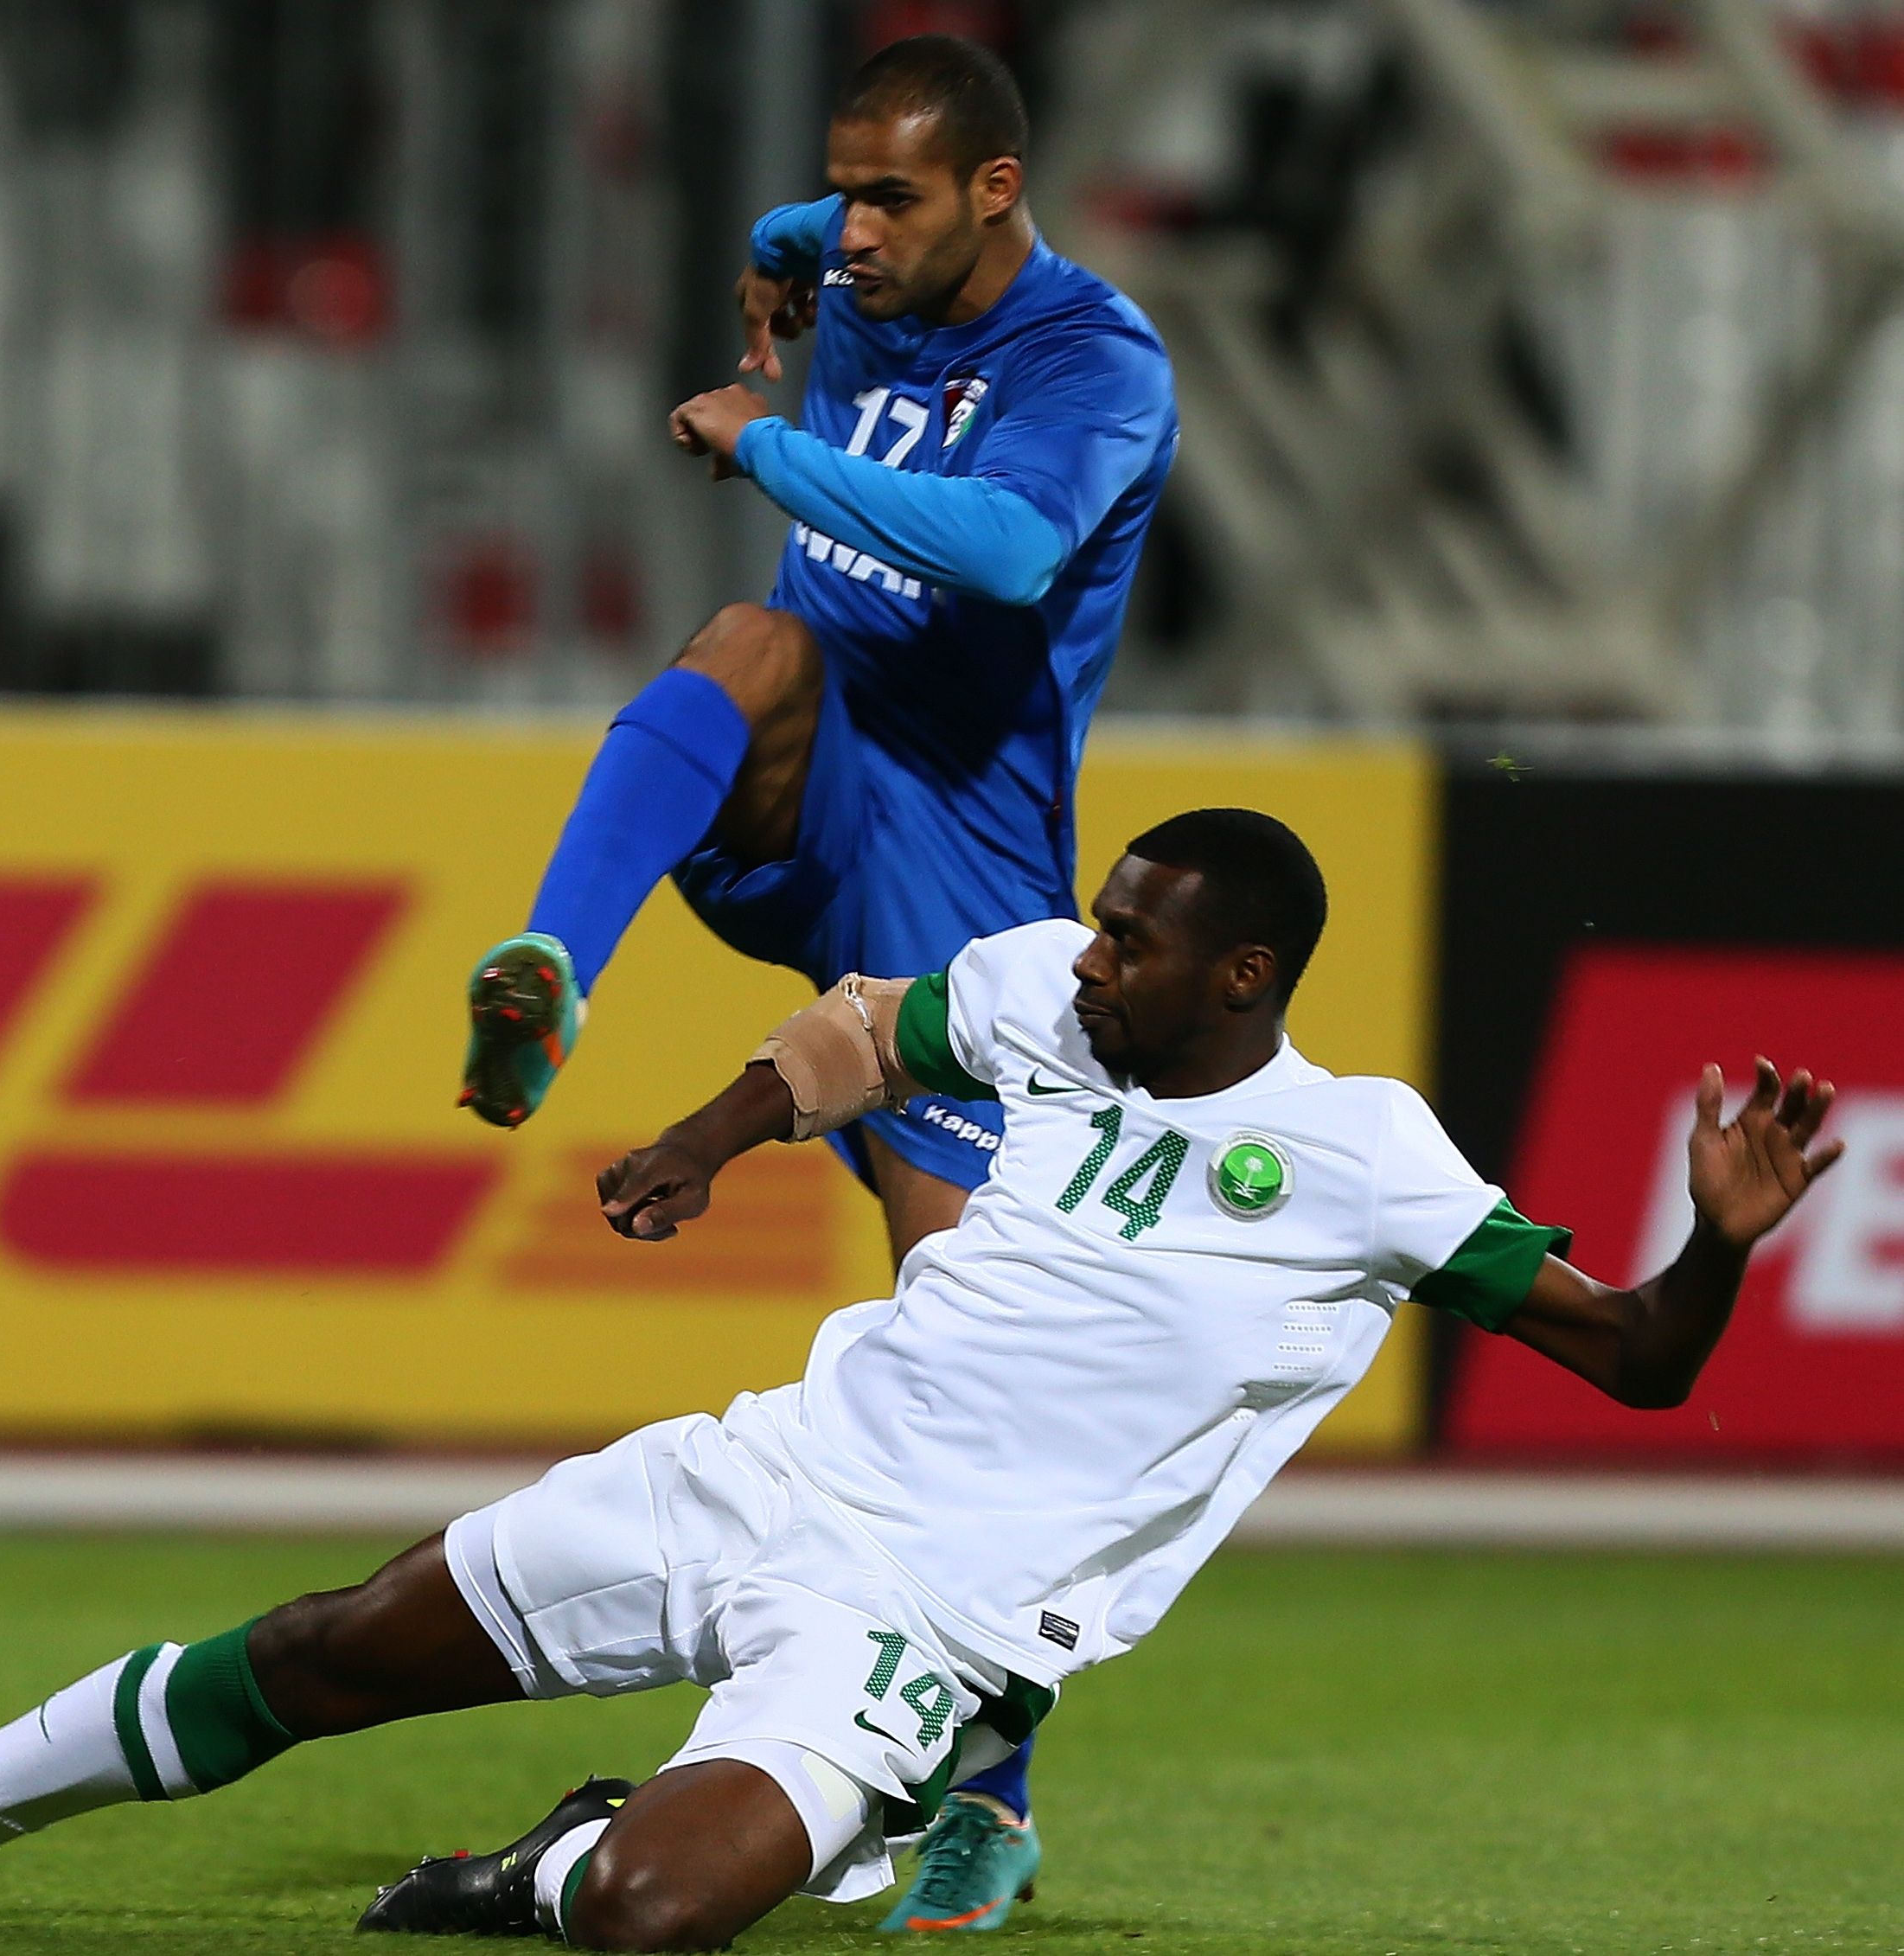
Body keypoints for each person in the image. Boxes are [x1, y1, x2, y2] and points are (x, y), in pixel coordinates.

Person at [0, 809, 1842, 1952]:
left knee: (650, 1914)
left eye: (1130, 941)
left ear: (1243, 976)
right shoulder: (1030, 996)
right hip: (772, 1466)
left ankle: (555, 1862)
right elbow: (861, 1035)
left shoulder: (1372, 1162)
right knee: (334, 1643)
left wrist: (1718, 1248)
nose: (1085, 958)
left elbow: (1638, 1363)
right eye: (1094, 923)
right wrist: (705, 1147)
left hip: (924, 1617)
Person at [457, 35, 1175, 1914]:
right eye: (837, 192)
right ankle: (555, 957)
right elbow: (801, 222)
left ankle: (990, 1789)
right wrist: (784, 252)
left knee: (970, 1353)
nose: (849, 232)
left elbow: (1014, 552)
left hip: (961, 861)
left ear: (995, 196)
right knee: (754, 636)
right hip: (815, 773)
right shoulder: (860, 263)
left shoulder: (1095, 365)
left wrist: (765, 434)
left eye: (889, 200)